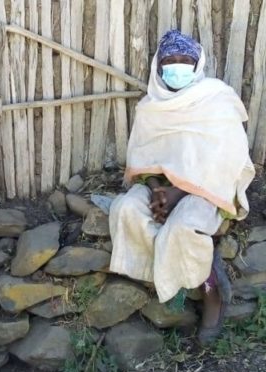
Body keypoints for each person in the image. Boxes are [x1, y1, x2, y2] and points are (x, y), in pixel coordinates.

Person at [109, 30, 255, 345]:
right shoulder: (151, 106)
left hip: (208, 189)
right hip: (163, 186)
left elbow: (226, 162)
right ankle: (169, 278)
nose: (177, 66)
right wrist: (159, 188)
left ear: (197, 63)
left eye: (185, 60)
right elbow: (145, 158)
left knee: (184, 227)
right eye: (169, 61)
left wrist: (179, 193)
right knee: (125, 209)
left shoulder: (216, 99)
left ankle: (211, 292)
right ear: (158, 68)